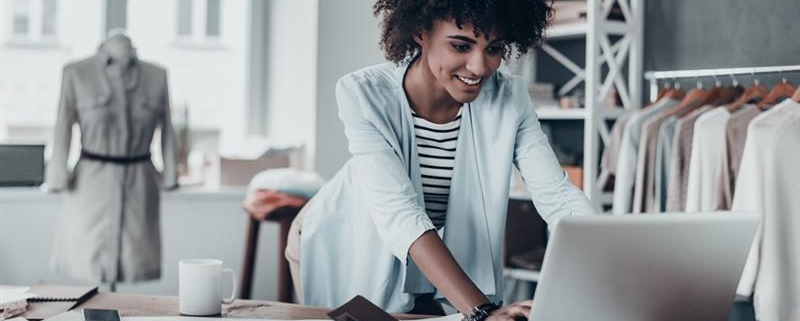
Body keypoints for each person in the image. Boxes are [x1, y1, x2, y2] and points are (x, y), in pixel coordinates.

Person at [285, 0, 596, 319]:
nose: (479, 67)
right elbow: (400, 212)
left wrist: (614, 263)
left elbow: (558, 197)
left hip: (424, 246)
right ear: (420, 32)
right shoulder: (363, 93)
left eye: (494, 48)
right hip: (344, 237)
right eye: (461, 46)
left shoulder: (509, 98)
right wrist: (482, 312)